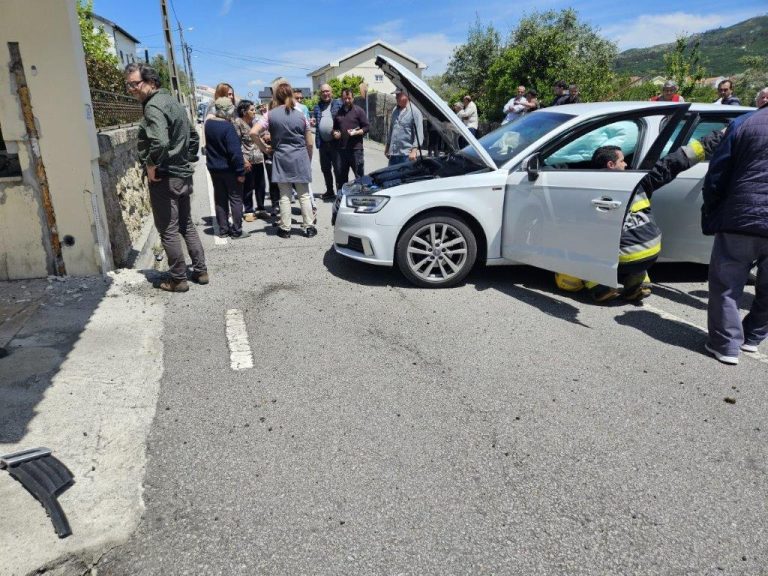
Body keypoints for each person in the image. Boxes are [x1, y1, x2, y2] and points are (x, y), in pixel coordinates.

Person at [558, 130, 723, 303]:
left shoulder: (586, 190)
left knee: (579, 242)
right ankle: (637, 284)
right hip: (650, 252)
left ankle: (600, 286)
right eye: (622, 161)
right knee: (631, 247)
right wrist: (717, 137)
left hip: (621, 257)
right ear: (611, 164)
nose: (627, 165)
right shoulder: (640, 182)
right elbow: (674, 162)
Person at [124, 62, 207, 293]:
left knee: (168, 229)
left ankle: (178, 279)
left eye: (135, 84)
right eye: (128, 85)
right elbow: (192, 136)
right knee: (186, 224)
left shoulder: (153, 107)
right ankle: (201, 271)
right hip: (182, 174)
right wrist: (185, 159)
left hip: (165, 176)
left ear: (151, 82)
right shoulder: (173, 102)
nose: (131, 89)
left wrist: (151, 164)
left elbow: (159, 141)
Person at [701, 101, 768, 365]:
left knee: (726, 285)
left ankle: (726, 345)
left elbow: (717, 172)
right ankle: (752, 338)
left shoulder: (744, 123)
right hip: (745, 215)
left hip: (742, 217)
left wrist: (713, 209)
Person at [251, 82, 316, 239]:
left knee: (285, 195)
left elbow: (253, 132)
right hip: (300, 157)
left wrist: (264, 148)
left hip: (281, 157)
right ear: (291, 96)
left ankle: (285, 228)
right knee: (304, 194)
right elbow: (309, 142)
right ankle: (309, 227)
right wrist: (308, 158)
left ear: (276, 97)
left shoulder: (270, 115)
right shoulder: (301, 114)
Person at [205, 97, 246, 239]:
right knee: (235, 198)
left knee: (220, 198)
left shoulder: (208, 124)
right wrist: (240, 171)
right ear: (228, 110)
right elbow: (235, 152)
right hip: (229, 169)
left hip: (214, 168)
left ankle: (223, 230)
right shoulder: (228, 127)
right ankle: (236, 230)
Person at [234, 99, 267, 221]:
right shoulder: (238, 123)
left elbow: (261, 137)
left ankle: (261, 209)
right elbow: (236, 144)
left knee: (260, 185)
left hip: (258, 158)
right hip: (246, 160)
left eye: (254, 110)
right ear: (244, 111)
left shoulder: (255, 123)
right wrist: (243, 160)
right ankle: (248, 210)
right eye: (252, 110)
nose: (254, 112)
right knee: (248, 186)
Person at [332, 88, 370, 189]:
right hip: (341, 151)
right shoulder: (338, 113)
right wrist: (335, 133)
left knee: (359, 177)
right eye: (345, 98)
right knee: (341, 178)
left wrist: (357, 132)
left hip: (356, 150)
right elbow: (335, 128)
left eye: (349, 98)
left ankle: (360, 198)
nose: (347, 100)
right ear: (341, 99)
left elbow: (367, 127)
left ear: (353, 98)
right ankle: (341, 198)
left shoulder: (359, 111)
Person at [312, 83, 342, 201]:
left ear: (331, 92)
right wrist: (314, 123)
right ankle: (330, 191)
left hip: (336, 144)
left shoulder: (338, 104)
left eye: (327, 91)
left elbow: (344, 120)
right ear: (320, 93)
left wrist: (339, 132)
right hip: (323, 143)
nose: (325, 93)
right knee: (325, 169)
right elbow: (316, 121)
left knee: (338, 169)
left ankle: (340, 192)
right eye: (323, 92)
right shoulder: (317, 106)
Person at [385, 88, 424, 166]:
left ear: (406, 94)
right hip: (393, 154)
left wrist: (414, 151)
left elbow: (419, 134)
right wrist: (388, 146)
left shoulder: (415, 112)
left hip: (406, 155)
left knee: (404, 178)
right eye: (396, 95)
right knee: (391, 177)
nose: (396, 97)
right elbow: (391, 129)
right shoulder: (395, 110)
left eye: (398, 95)